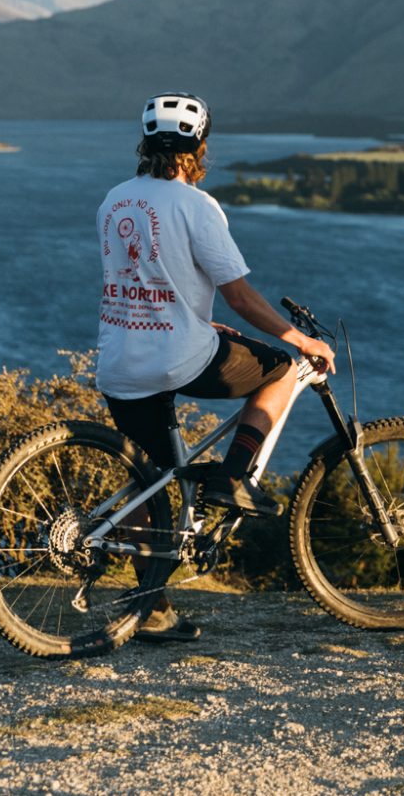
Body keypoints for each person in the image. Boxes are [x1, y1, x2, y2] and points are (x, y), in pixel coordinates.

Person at [94, 91, 334, 640]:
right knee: (278, 369)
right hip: (178, 359)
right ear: (199, 148)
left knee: (153, 484)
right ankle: (232, 479)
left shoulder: (114, 200)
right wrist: (300, 340)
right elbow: (242, 298)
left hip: (120, 361)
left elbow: (144, 281)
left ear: (145, 144)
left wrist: (201, 324)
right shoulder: (197, 206)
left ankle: (150, 611)